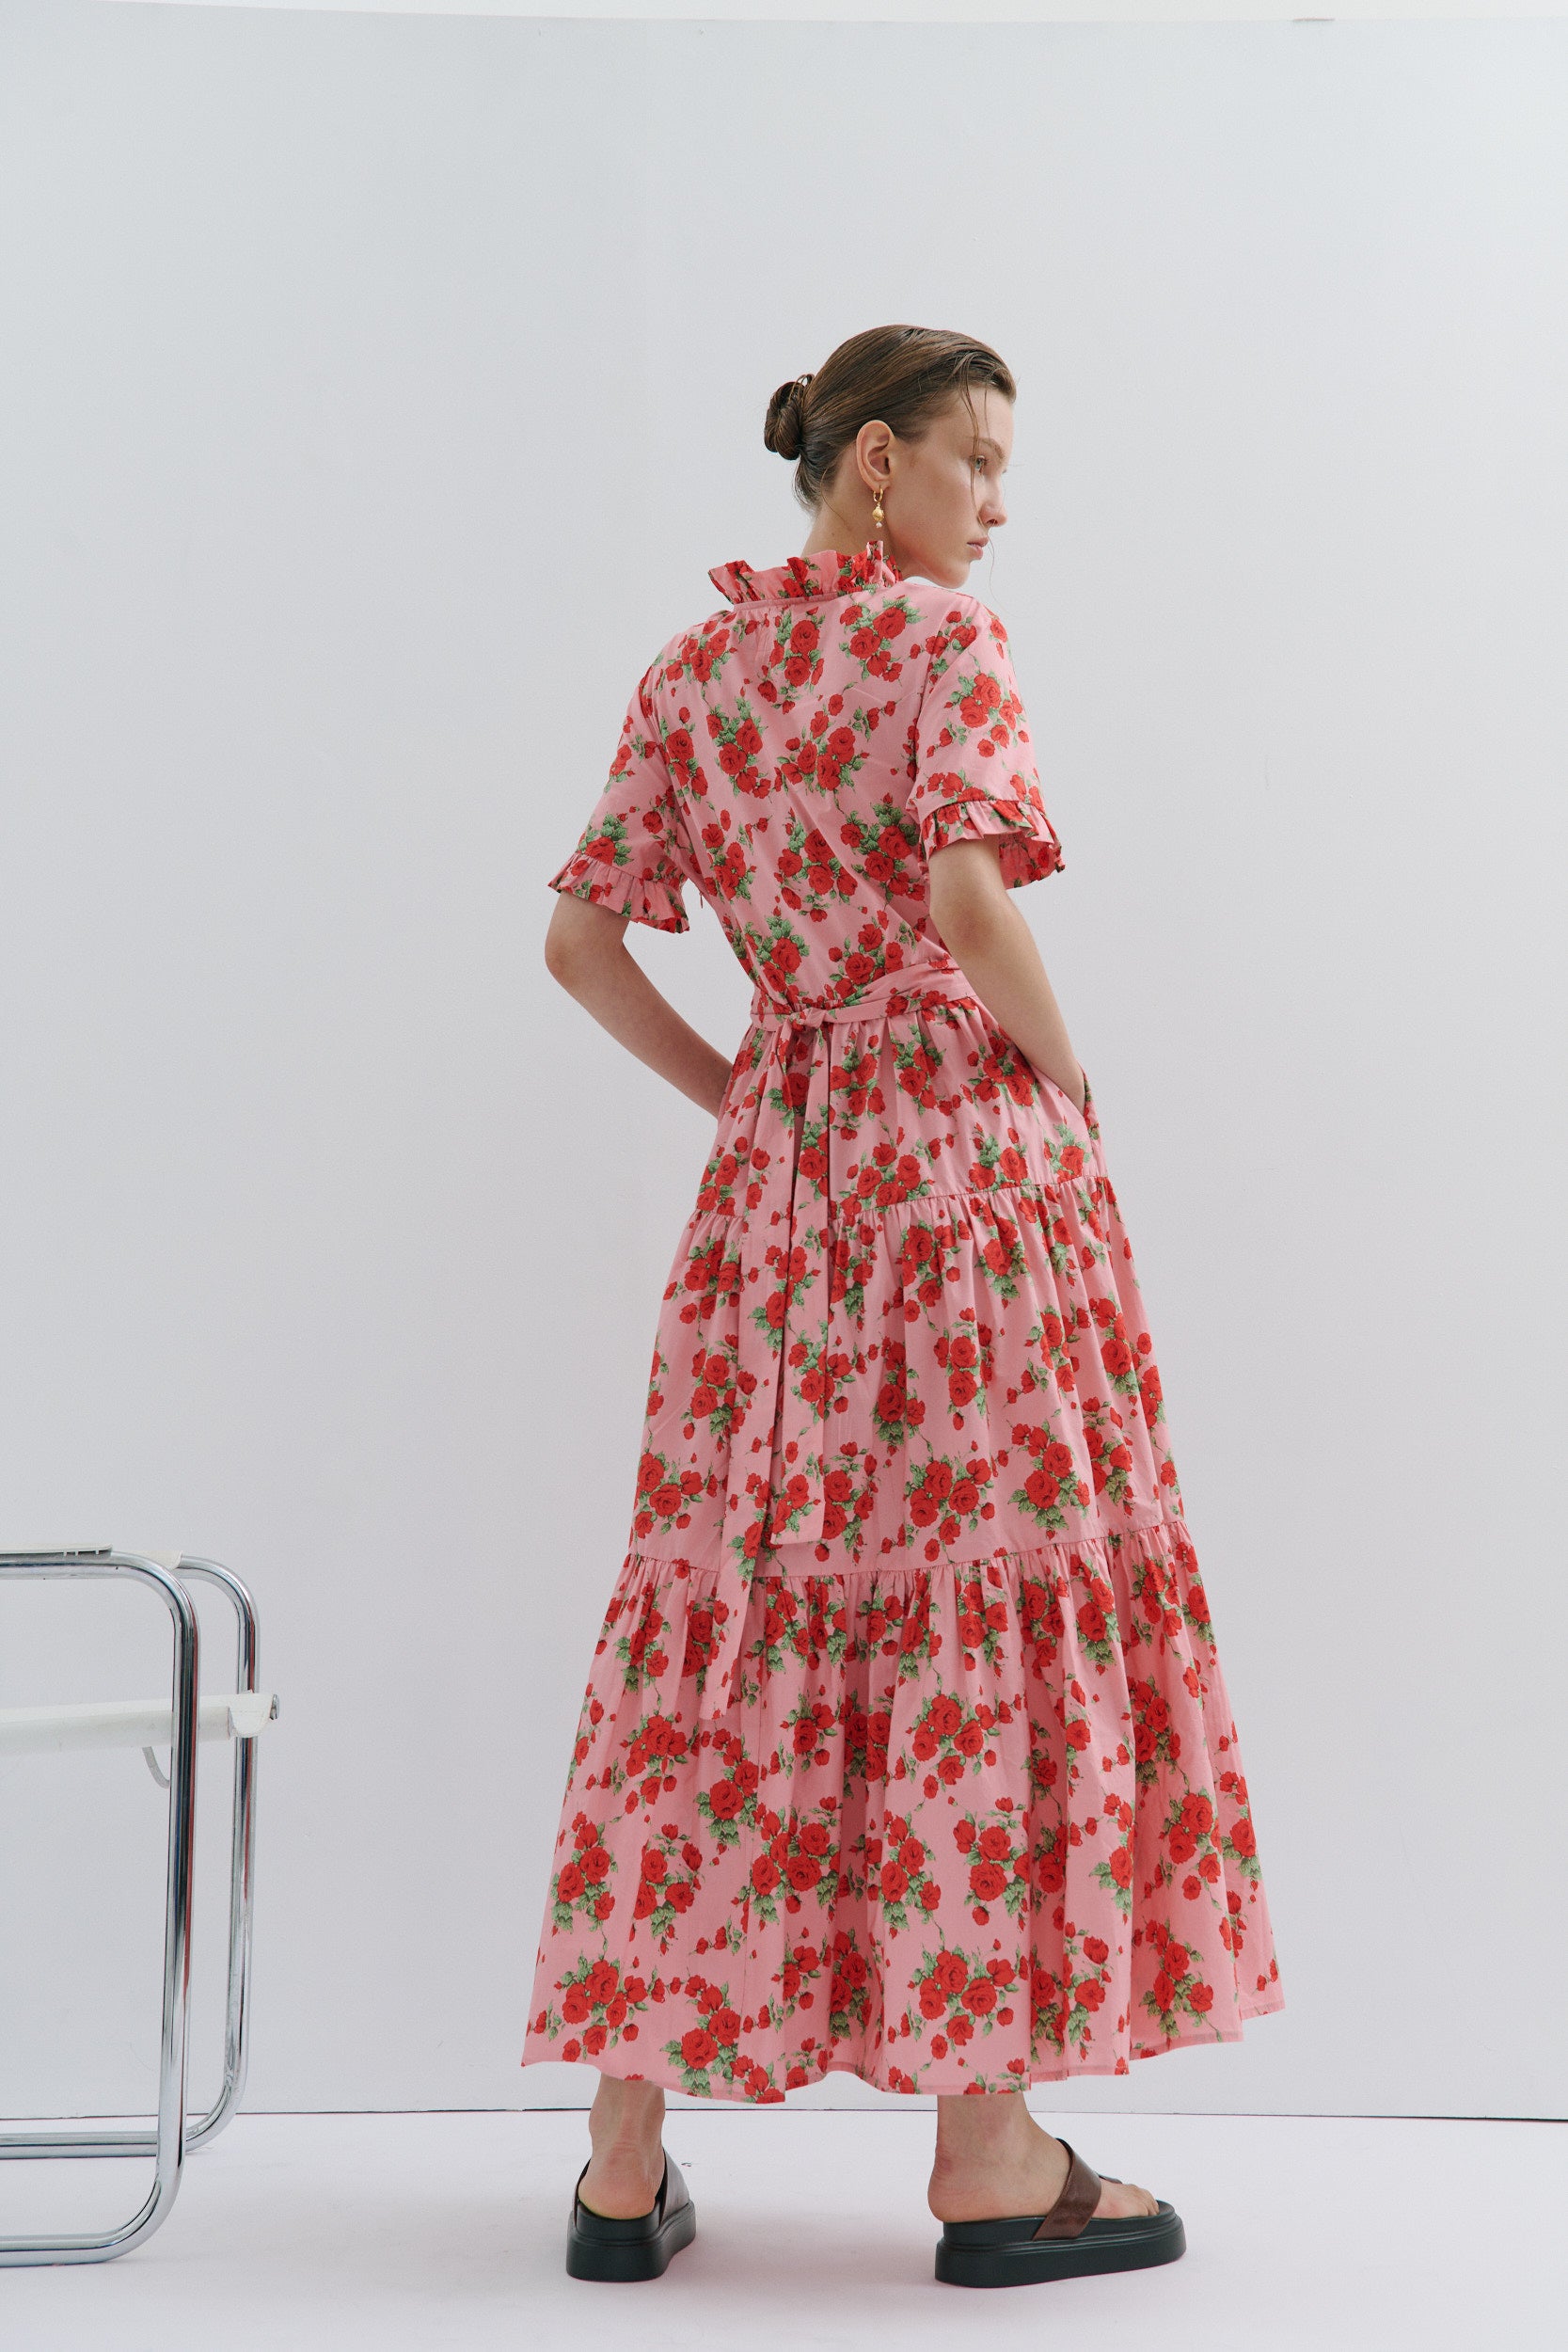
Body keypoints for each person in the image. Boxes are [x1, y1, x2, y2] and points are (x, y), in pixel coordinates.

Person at [526, 324, 1284, 2290]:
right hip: (958, 1182)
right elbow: (967, 898)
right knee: (992, 1599)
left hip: (778, 1200)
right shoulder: (944, 647)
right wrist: (1069, 1069)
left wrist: (746, 1089)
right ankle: (989, 2149)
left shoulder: (695, 672)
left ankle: (622, 2156)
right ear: (881, 464)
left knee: (733, 1599)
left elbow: (576, 940)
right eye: (980, 461)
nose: (999, 505)